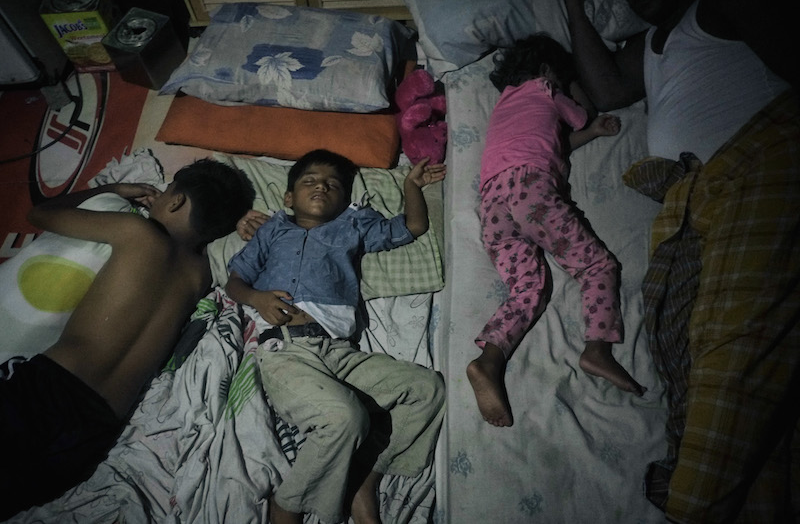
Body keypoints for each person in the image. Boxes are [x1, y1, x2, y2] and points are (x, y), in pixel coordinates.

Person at [563, 0, 798, 521]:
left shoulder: (718, 6)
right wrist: (574, 7)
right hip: (689, 202)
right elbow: (606, 90)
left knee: (731, 354)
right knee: (690, 358)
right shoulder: (650, 45)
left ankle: (694, 507)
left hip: (755, 168)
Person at [0, 159, 255, 519]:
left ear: (176, 201)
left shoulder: (136, 231)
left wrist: (113, 189)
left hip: (48, 390)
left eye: (166, 191)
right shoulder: (200, 275)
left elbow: (40, 214)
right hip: (96, 431)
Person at [224, 149, 447, 524]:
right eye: (309, 181)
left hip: (340, 352)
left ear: (345, 199)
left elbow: (412, 227)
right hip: (286, 349)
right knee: (345, 418)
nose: (321, 187)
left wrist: (411, 185)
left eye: (333, 184)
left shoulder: (354, 224)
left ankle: (365, 477)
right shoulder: (271, 230)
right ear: (289, 197)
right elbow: (235, 281)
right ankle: (288, 504)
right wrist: (256, 298)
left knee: (427, 389)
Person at [466, 34, 646, 429]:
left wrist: (592, 134)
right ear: (549, 71)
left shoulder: (504, 104)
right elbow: (581, 114)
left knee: (527, 290)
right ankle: (597, 350)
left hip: (492, 204)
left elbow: (552, 142)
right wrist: (575, 92)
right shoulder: (546, 88)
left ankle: (488, 360)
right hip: (530, 190)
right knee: (596, 267)